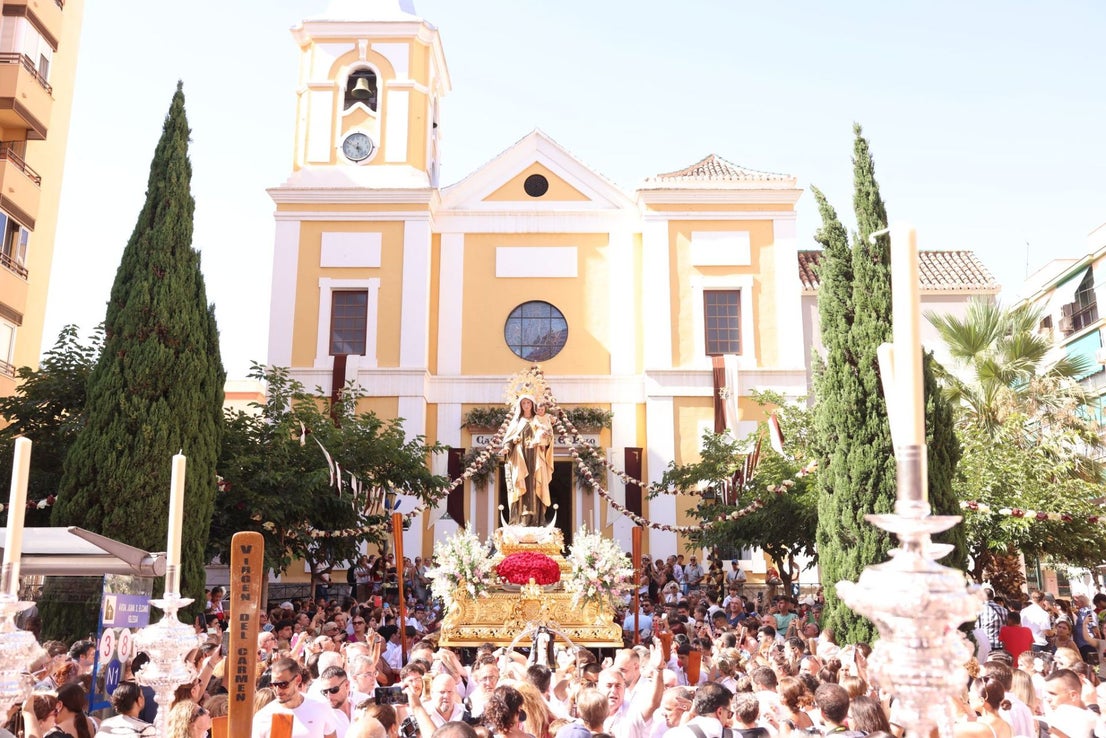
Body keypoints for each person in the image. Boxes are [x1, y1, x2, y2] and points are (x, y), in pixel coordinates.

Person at [251, 658, 338, 738]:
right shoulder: (263, 717)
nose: (277, 690)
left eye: (283, 684)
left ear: (298, 680)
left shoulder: (320, 705)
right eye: (273, 685)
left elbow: (331, 735)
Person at [501, 395, 552, 526]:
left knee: (535, 484)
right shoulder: (517, 422)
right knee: (521, 484)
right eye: (523, 403)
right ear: (520, 405)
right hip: (520, 458)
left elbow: (548, 439)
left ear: (533, 405)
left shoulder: (538, 420)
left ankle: (537, 519)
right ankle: (520, 519)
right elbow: (508, 439)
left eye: (528, 402)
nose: (526, 405)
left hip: (536, 457)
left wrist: (546, 438)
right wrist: (507, 447)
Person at [663, 682, 732, 738]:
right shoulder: (735, 735)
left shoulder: (674, 734)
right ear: (719, 711)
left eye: (669, 709)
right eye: (728, 714)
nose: (728, 719)